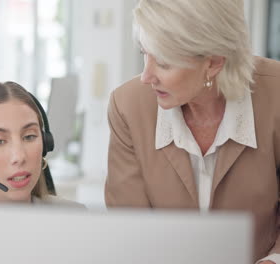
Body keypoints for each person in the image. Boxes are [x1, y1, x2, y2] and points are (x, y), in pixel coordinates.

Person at [104, 0, 280, 263]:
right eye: (144, 52)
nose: (146, 76)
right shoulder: (127, 106)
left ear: (214, 62)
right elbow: (128, 229)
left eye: (163, 62)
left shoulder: (275, 96)